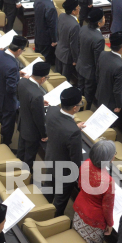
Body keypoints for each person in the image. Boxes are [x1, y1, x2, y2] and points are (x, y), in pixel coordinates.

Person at [45, 87, 87, 217]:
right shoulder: (73, 132)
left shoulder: (52, 111)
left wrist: (74, 126)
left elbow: (60, 125)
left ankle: (42, 212)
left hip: (50, 158)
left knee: (48, 190)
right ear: (75, 108)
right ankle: (55, 221)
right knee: (60, 199)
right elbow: (76, 159)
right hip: (64, 171)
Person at [72, 140, 116, 243]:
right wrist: (110, 224)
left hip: (80, 207)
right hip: (94, 218)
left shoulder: (86, 163)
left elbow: (80, 184)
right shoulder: (108, 182)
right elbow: (107, 207)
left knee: (77, 237)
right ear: (109, 159)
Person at [0, 35, 27, 146]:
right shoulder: (12, 65)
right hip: (8, 101)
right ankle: (5, 145)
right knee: (8, 125)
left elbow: (2, 70)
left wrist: (17, 74)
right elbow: (11, 88)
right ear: (19, 50)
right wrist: (22, 81)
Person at [16, 61, 50, 168]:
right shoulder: (37, 95)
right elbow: (39, 119)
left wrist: (39, 103)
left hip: (22, 123)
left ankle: (17, 170)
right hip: (32, 132)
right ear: (43, 78)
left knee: (21, 151)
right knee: (29, 158)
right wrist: (44, 135)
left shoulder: (22, 82)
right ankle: (26, 177)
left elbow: (21, 98)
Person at [96, 32, 122, 113]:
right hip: (110, 103)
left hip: (100, 94)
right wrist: (119, 105)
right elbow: (118, 90)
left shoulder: (103, 54)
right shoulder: (120, 66)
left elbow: (97, 74)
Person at [55, 0, 80, 80]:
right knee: (64, 80)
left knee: (57, 76)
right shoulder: (75, 25)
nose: (79, 9)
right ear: (73, 11)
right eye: (78, 7)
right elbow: (74, 45)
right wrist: (75, 59)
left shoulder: (61, 16)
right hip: (67, 56)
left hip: (59, 50)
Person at [33, 0, 58, 64]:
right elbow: (52, 26)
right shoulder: (50, 8)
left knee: (38, 54)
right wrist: (54, 40)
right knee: (44, 59)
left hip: (38, 33)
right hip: (46, 38)